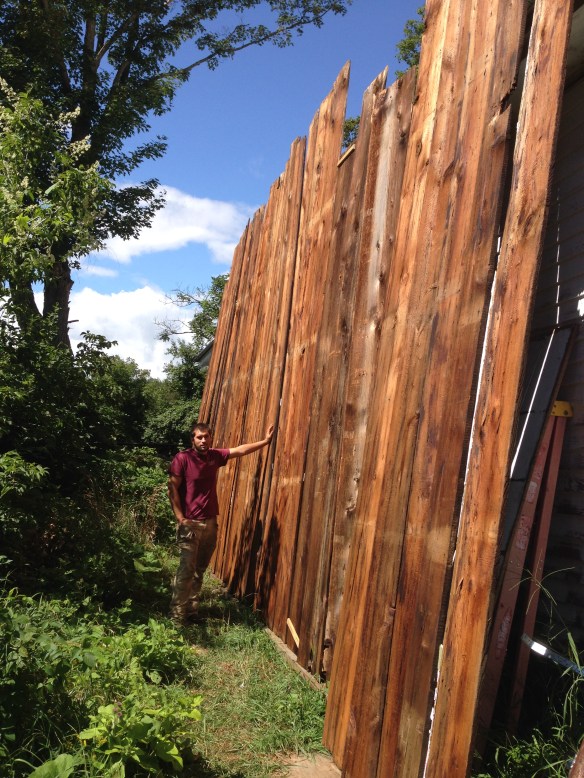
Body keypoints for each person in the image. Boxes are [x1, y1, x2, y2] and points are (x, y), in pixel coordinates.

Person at [168, 421, 274, 625]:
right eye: (199, 437)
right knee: (186, 570)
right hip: (190, 524)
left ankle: (191, 611)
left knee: (199, 569)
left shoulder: (215, 457)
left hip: (210, 523)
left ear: (211, 438)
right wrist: (181, 519)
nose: (203, 440)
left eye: (206, 436)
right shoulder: (183, 459)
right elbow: (172, 489)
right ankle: (176, 617)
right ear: (192, 439)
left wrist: (265, 442)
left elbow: (240, 450)